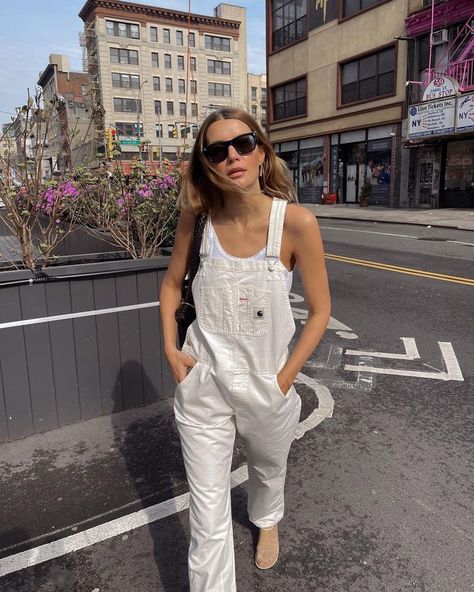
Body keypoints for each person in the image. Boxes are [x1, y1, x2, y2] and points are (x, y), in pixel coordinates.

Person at [160, 108, 331, 592]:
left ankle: (267, 516)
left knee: (268, 467)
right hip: (203, 385)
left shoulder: (295, 223)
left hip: (267, 383)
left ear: (262, 151)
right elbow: (172, 284)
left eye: (243, 143)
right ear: (207, 163)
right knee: (207, 506)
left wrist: (285, 378)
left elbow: (320, 311)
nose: (232, 156)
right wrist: (173, 351)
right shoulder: (198, 221)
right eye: (217, 150)